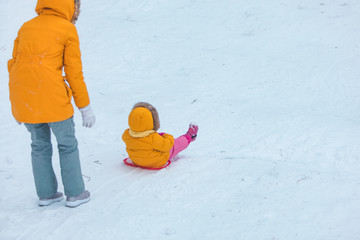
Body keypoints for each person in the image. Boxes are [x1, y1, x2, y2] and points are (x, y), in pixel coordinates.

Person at [8, 0, 95, 208]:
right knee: (67, 145)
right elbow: (74, 73)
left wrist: (18, 105)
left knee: (39, 146)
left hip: (27, 100)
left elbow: (14, 66)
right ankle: (75, 193)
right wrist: (85, 107)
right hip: (54, 100)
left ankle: (46, 195)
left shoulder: (26, 27)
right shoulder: (67, 29)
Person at [122, 102, 198, 168]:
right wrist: (166, 136)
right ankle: (189, 136)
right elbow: (167, 145)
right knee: (174, 145)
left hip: (136, 160)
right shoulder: (153, 138)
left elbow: (142, 141)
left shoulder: (126, 135)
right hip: (156, 161)